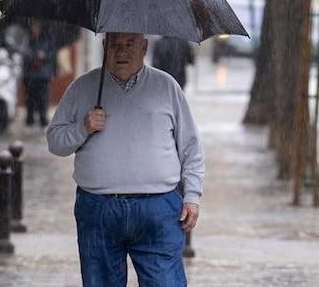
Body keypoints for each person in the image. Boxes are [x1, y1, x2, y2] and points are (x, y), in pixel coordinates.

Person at [47, 32, 205, 286]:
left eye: (129, 44)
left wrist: (192, 196)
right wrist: (82, 127)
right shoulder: (83, 87)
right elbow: (55, 142)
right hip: (98, 209)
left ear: (143, 47)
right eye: (115, 44)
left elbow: (191, 149)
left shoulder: (166, 87)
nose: (121, 51)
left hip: (158, 209)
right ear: (104, 46)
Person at [22, 20, 56, 126]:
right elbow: (24, 53)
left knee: (42, 97)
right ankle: (30, 117)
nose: (35, 29)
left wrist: (43, 57)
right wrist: (32, 59)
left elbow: (51, 54)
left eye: (37, 27)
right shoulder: (27, 40)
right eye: (33, 27)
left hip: (42, 74)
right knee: (30, 97)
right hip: (30, 74)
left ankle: (42, 117)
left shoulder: (47, 39)